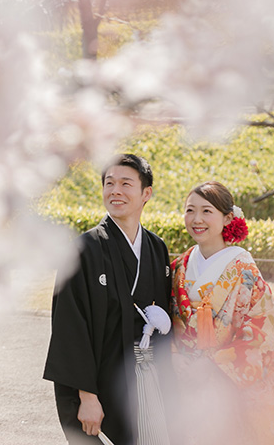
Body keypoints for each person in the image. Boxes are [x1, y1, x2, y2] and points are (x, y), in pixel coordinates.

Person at [44, 154, 175, 445]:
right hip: (100, 383)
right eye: (109, 183)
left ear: (146, 194)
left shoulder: (157, 248)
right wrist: (87, 396)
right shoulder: (83, 250)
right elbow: (70, 329)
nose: (115, 190)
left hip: (149, 377)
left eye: (126, 183)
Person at [170, 181, 274, 444]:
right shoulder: (178, 266)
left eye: (206, 211)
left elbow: (262, 331)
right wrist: (174, 356)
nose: (196, 219)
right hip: (181, 381)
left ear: (227, 218)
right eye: (190, 210)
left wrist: (212, 366)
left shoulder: (244, 270)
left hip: (224, 383)